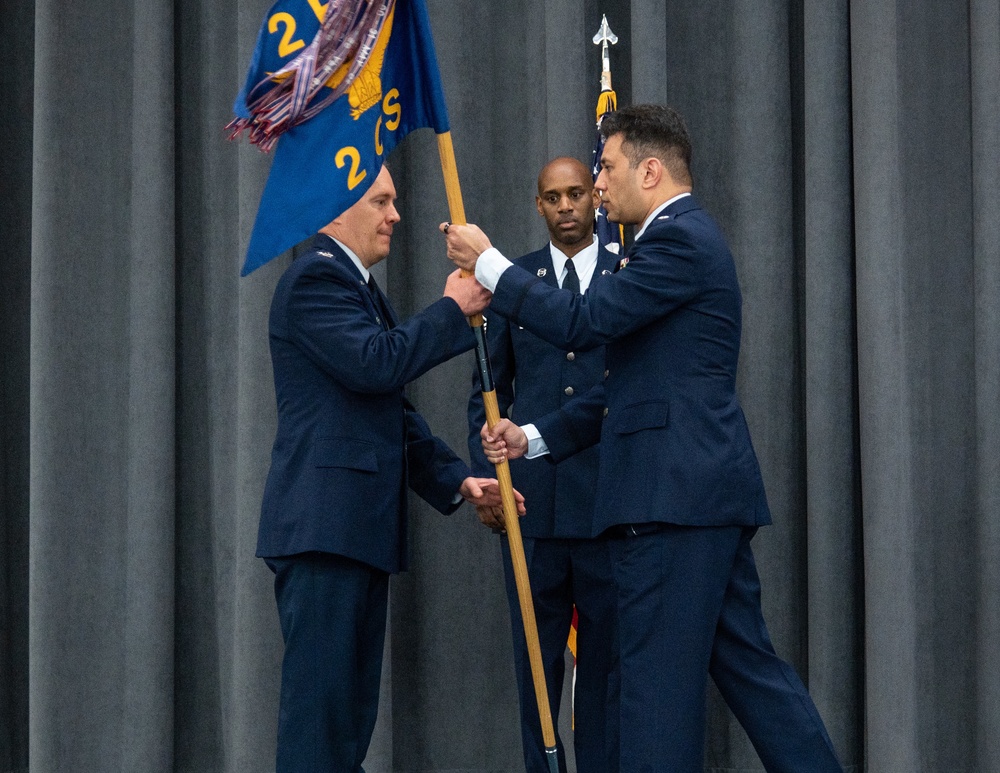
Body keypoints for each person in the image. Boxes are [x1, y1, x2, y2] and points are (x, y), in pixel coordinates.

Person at [442, 106, 843, 772]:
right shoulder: (670, 242)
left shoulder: (677, 239)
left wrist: (488, 264)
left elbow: (582, 320)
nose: (598, 185)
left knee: (655, 696)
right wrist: (532, 438)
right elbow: (620, 392)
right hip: (696, 500)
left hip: (672, 503)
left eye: (605, 167)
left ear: (649, 170)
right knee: (752, 673)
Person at [257, 165, 522, 773]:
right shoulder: (314, 281)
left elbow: (387, 413)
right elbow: (377, 366)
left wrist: (456, 479)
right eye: (381, 201)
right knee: (319, 731)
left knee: (346, 730)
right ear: (333, 211)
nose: (396, 216)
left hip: (352, 535)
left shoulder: (359, 289)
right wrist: (452, 309)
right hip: (325, 533)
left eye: (395, 201)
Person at [467, 157, 620, 773]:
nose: (565, 207)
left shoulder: (625, 274)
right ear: (538, 205)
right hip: (533, 510)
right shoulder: (516, 282)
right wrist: (486, 468)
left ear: (594, 198)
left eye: (577, 193)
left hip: (608, 507)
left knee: (606, 673)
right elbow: (488, 389)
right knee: (536, 671)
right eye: (552, 197)